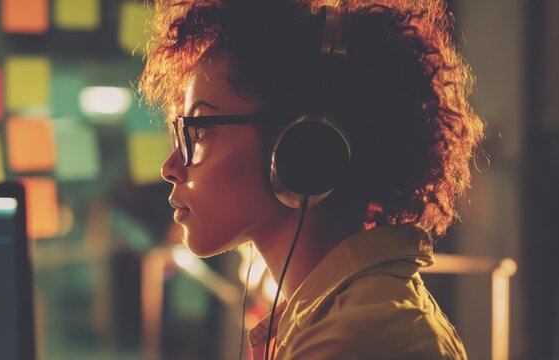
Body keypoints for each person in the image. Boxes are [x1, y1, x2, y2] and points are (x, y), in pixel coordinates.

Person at [139, 0, 485, 359]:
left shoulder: (354, 340)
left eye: (199, 132)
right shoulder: (325, 318)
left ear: (300, 146)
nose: (170, 166)